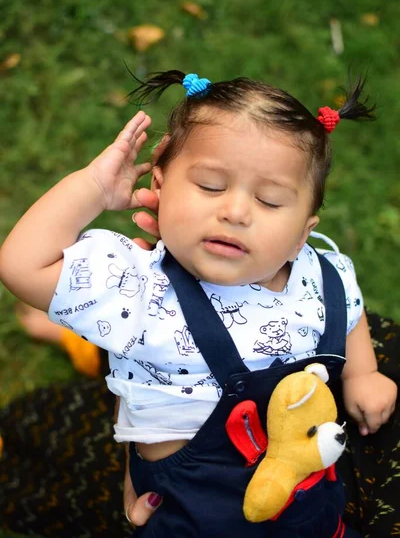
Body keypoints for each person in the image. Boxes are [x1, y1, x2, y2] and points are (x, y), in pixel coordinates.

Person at [0, 70, 397, 538]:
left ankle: (89, 348)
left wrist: (362, 372)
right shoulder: (138, 285)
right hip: (191, 516)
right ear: (161, 186)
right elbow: (22, 266)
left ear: (302, 234)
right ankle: (83, 346)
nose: (235, 211)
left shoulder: (320, 275)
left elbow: (347, 309)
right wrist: (93, 189)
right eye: (210, 186)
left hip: (310, 505)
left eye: (270, 201)